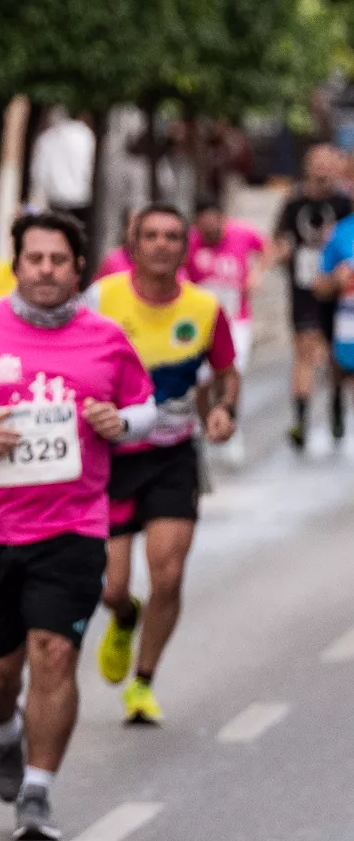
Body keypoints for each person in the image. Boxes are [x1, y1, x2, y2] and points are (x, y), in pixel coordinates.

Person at [0, 211, 152, 841]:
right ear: (16, 265)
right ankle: (6, 729)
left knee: (56, 652)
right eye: (34, 258)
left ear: (78, 269)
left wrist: (120, 424)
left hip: (73, 525)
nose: (45, 270)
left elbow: (143, 405)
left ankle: (38, 791)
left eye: (58, 260)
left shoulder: (106, 337)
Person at [89, 206, 240, 727]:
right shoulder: (102, 299)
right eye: (149, 235)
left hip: (172, 456)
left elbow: (225, 371)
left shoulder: (203, 308)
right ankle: (124, 617)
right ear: (132, 242)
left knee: (169, 575)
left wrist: (223, 409)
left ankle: (144, 682)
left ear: (185, 247)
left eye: (172, 236)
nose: (160, 244)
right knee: (109, 587)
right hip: (108, 460)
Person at [278, 144, 351, 449]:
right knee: (306, 351)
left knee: (336, 358)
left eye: (328, 163)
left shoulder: (345, 203)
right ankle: (301, 419)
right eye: (316, 162)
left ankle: (335, 404)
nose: (322, 169)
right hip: (305, 289)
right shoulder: (294, 202)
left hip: (341, 294)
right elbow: (281, 240)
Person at [186, 198, 264, 370]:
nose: (209, 234)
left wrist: (256, 274)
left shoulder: (242, 234)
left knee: (233, 369)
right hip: (201, 318)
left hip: (236, 316)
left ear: (222, 219)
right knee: (202, 376)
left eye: (213, 227)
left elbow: (268, 248)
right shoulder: (188, 241)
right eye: (204, 229)